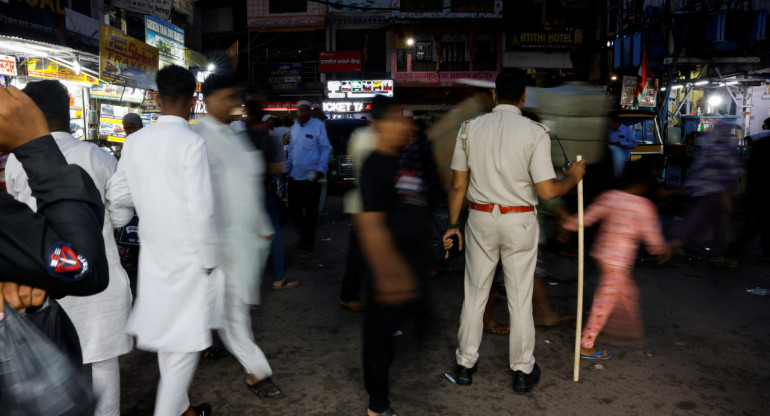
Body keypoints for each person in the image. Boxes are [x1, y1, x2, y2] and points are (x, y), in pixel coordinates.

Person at [442, 69, 585, 394]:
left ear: (494, 95)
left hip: (479, 219)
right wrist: (573, 177)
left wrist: (452, 224)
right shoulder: (535, 132)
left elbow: (457, 186)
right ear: (523, 97)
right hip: (519, 221)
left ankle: (465, 365)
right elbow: (547, 191)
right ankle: (522, 372)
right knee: (520, 297)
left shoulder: (469, 129)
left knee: (475, 293)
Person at [4, 80, 134, 416]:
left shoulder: (17, 162)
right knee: (104, 364)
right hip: (98, 282)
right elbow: (121, 212)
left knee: (54, 367)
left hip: (38, 286)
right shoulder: (98, 155)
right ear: (67, 113)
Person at [106, 65, 217, 416]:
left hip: (154, 261)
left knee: (172, 343)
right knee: (183, 349)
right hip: (187, 262)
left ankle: (183, 410)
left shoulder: (136, 141)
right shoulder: (192, 143)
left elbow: (119, 198)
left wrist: (120, 222)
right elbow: (202, 210)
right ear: (194, 100)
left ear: (156, 97)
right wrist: (211, 262)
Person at [193, 74, 286, 400]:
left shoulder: (236, 135)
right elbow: (198, 199)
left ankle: (209, 349)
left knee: (230, 312)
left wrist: (262, 228)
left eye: (238, 97)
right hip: (218, 245)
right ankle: (257, 371)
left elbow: (248, 187)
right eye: (229, 97)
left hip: (246, 241)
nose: (236, 104)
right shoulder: (198, 137)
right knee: (233, 315)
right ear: (208, 99)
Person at [0, 85, 108, 321]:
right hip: (54, 270)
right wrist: (35, 142)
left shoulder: (12, 162)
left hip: (39, 274)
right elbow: (82, 265)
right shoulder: (98, 155)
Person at [355, 95, 428, 416]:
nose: (406, 125)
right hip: (390, 272)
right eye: (399, 118)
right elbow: (369, 223)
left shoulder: (401, 160)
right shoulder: (375, 164)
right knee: (379, 339)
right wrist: (389, 274)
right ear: (380, 124)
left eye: (407, 118)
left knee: (401, 332)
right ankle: (377, 406)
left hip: (409, 266)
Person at [564, 159, 670, 358]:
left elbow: (587, 218)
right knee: (604, 301)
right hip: (619, 262)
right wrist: (660, 249)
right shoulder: (644, 206)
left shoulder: (610, 197)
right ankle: (587, 343)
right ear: (644, 184)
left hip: (603, 255)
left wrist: (569, 224)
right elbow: (652, 236)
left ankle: (624, 332)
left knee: (628, 293)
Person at [670, 120, 743, 268]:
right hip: (718, 194)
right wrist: (730, 195)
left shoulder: (708, 149)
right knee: (716, 225)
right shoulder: (725, 151)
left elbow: (696, 170)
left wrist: (689, 187)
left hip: (702, 192)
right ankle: (671, 247)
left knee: (698, 221)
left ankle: (715, 254)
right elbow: (733, 173)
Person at [245, 101, 299, 290]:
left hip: (243, 195)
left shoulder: (238, 137)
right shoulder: (266, 138)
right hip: (263, 193)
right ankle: (278, 277)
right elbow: (277, 167)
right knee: (274, 233)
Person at [285, 99, 332, 252]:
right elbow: (292, 151)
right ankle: (304, 236)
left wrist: (321, 169)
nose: (303, 112)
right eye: (301, 109)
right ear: (297, 111)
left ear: (310, 111)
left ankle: (308, 243)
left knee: (311, 213)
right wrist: (287, 169)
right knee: (294, 210)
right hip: (295, 175)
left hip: (312, 177)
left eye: (306, 109)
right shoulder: (295, 128)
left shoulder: (318, 126)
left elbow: (325, 148)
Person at [340, 122, 377, 312]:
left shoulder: (360, 135)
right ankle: (349, 296)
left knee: (361, 256)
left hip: (364, 205)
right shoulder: (371, 138)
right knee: (359, 256)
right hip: (365, 206)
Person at [729, 117, 770, 261]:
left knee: (757, 220)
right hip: (763, 187)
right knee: (761, 221)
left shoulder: (760, 141)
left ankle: (738, 245)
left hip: (757, 186)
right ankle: (738, 246)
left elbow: (749, 164)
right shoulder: (763, 141)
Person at [608, 112, 636, 179]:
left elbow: (633, 144)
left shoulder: (627, 130)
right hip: (610, 163)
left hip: (624, 163)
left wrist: (620, 143)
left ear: (616, 122)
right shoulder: (608, 131)